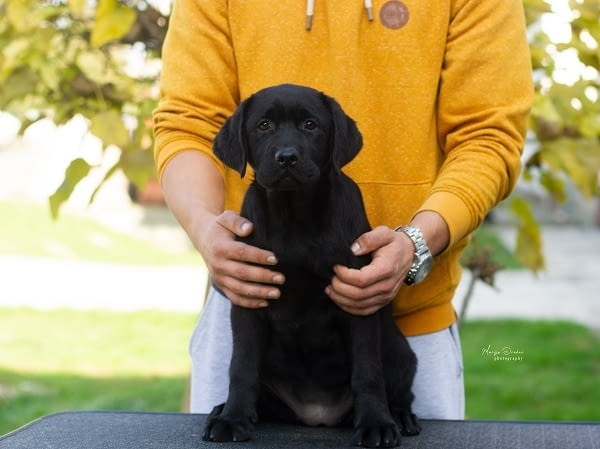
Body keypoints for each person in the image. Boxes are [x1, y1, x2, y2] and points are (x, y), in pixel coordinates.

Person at [153, 0, 533, 420]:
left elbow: (488, 136)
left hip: (403, 328)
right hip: (255, 316)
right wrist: (206, 229)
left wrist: (417, 243)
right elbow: (188, 123)